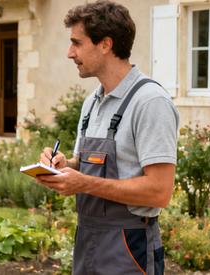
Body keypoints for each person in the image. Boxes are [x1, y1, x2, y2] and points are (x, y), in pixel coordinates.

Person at [35, 1, 179, 274]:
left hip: (129, 247)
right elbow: (88, 162)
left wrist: (84, 183)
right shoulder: (92, 102)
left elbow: (160, 192)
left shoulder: (150, 102)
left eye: (77, 43)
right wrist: (65, 166)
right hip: (88, 241)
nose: (69, 53)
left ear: (105, 44)